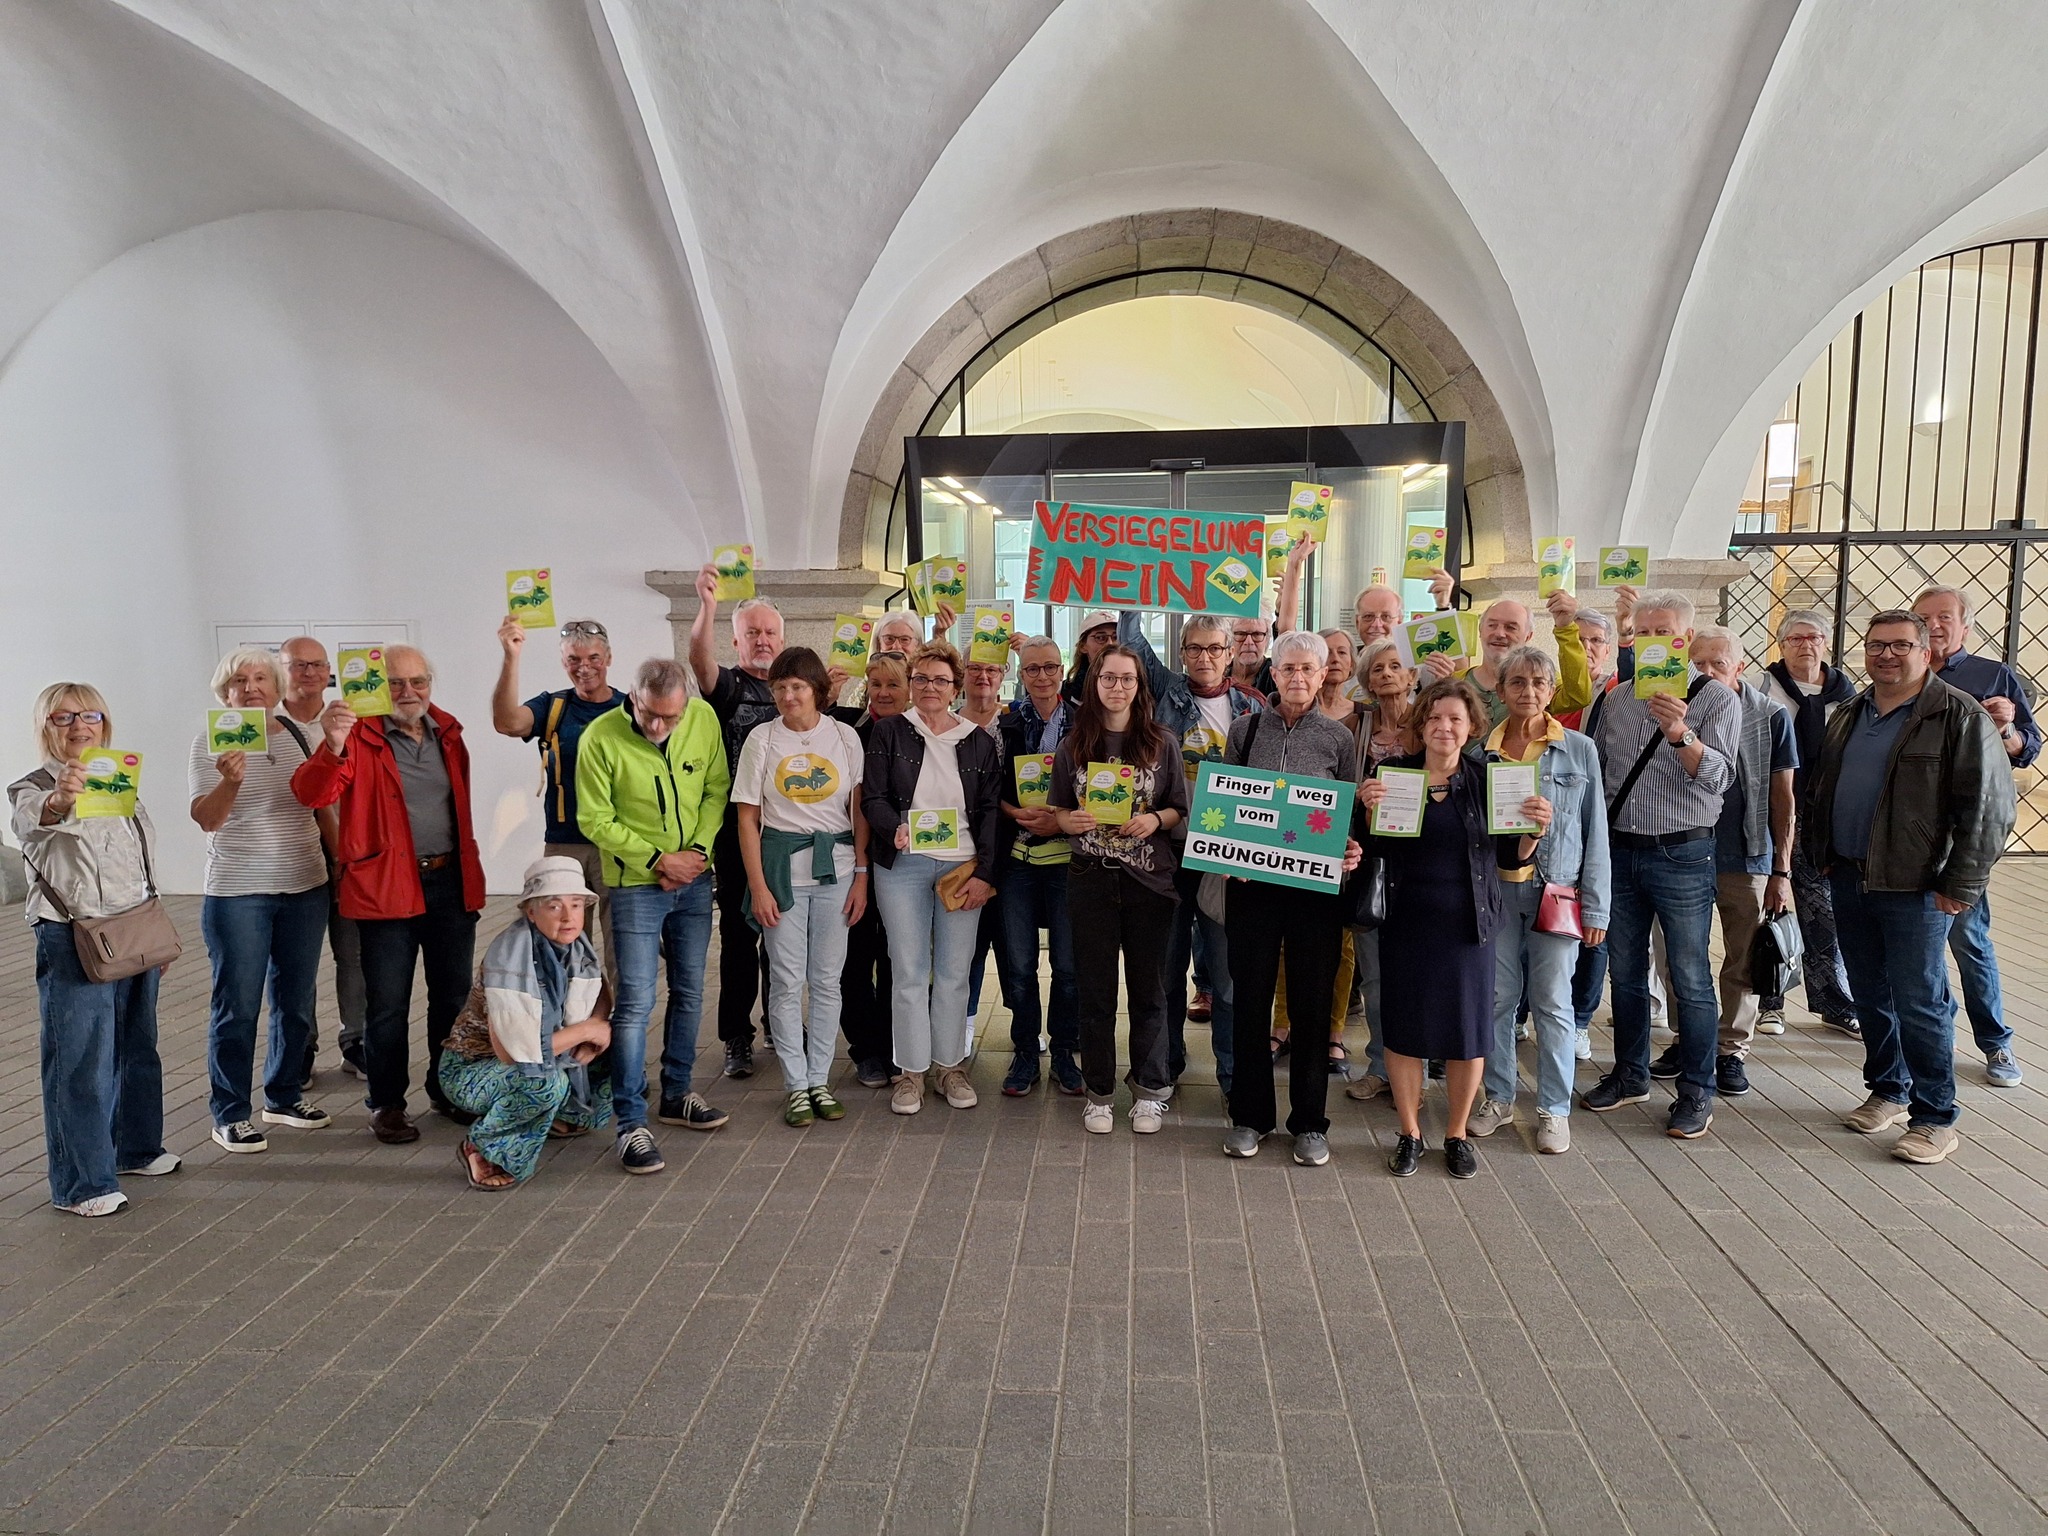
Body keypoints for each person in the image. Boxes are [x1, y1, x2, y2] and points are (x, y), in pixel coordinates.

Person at [1808, 611, 2014, 1165]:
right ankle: (1888, 1090)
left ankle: (1935, 1117)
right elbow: (1826, 788)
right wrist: (1824, 853)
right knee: (1872, 996)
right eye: (1877, 646)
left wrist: (1962, 883)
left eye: (1900, 645)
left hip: (1918, 886)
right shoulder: (1851, 712)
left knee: (1920, 1002)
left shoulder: (1958, 714)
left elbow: (1990, 809)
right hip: (1851, 876)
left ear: (1926, 651)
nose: (1886, 655)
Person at [292, 646, 486, 1145]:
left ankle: (447, 1089)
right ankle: (387, 1103)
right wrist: (331, 745)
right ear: (378, 687)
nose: (408, 693)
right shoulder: (358, 734)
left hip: (449, 881)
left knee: (452, 998)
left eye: (417, 681)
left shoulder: (449, 731)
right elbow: (312, 795)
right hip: (386, 887)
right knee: (387, 1006)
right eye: (396, 683)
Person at [1361, 676, 1545, 1177]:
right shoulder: (1392, 774)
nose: (1444, 726)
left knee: (1468, 1034)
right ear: (1421, 724)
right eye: (1436, 717)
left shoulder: (1489, 779)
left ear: (1470, 729)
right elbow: (1368, 852)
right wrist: (1364, 810)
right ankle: (1409, 1132)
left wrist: (1532, 835)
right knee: (1403, 1031)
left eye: (1455, 719)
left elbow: (1512, 856)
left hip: (1469, 927)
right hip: (1405, 923)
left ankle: (1457, 1133)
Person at [9, 685, 176, 1216]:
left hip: (132, 930)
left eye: (91, 715)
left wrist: (156, 931)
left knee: (137, 1047)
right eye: (63, 718)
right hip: (72, 935)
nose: (80, 727)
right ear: (44, 726)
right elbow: (34, 825)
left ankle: (136, 1148)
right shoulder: (30, 788)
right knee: (80, 1060)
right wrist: (61, 798)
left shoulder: (117, 775)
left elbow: (136, 856)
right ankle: (82, 1184)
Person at [1581, 591, 1740, 1138]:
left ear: (1687, 638)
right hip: (1621, 850)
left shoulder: (1715, 698)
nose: (1654, 641)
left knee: (1690, 976)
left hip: (1684, 853)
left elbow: (1720, 779)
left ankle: (1698, 1089)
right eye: (1644, 631)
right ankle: (1630, 1075)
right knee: (1623, 972)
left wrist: (1681, 733)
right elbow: (1597, 774)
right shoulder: (1617, 697)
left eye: (1665, 631)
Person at [576, 657, 733, 1172]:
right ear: (634, 698)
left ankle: (678, 1093)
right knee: (635, 1001)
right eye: (649, 715)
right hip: (635, 887)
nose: (659, 727)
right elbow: (595, 819)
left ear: (686, 703)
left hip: (692, 879)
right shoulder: (600, 737)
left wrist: (697, 855)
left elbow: (716, 789)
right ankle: (630, 1122)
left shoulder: (704, 720)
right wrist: (657, 860)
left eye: (671, 717)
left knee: (690, 989)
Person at [1219, 631, 1362, 1167]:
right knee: (1250, 1001)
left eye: (1308, 669)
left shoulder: (1339, 740)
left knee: (1311, 1004)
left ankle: (1310, 1124)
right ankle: (1250, 1117)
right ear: (1271, 674)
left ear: (1325, 674)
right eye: (1287, 669)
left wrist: (1350, 849)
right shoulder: (1244, 729)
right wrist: (1232, 854)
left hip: (1314, 893)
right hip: (1252, 890)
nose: (1297, 678)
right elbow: (1225, 804)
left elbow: (1348, 814)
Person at [1462, 647, 1609, 1156]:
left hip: (1557, 889)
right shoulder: (1480, 753)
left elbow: (1596, 832)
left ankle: (1554, 1108)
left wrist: (1597, 907)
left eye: (1538, 683)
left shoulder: (1579, 750)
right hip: (1497, 893)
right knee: (1498, 999)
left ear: (1552, 691)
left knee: (1552, 1002)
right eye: (1518, 683)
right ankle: (1499, 1097)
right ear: (1500, 691)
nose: (1528, 692)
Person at [189, 646, 331, 1154]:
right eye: (239, 680)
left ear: (276, 688)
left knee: (296, 1002)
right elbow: (207, 819)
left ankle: (285, 1095)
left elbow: (319, 804)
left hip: (305, 884)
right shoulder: (209, 741)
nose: (250, 688)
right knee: (239, 1005)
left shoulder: (299, 735)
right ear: (223, 691)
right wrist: (230, 781)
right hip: (237, 892)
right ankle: (229, 1113)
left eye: (260, 679)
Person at [1119, 609, 1263, 1097]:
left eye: (1215, 649)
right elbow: (1132, 641)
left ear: (1230, 654)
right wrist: (1133, 590)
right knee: (1165, 971)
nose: (1205, 657)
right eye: (1195, 648)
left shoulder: (1252, 708)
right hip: (1166, 855)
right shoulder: (1164, 694)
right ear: (1182, 654)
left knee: (1225, 979)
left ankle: (1231, 1077)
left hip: (1226, 862)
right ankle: (1165, 1070)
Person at [1647, 628, 1795, 1099]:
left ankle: (1731, 1049)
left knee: (1742, 955)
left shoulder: (1770, 716)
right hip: (1681, 850)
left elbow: (1783, 797)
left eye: (1719, 663)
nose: (1708, 672)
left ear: (1741, 665)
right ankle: (1686, 1038)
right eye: (1701, 663)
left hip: (1744, 852)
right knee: (1676, 954)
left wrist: (1781, 870)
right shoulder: (1670, 706)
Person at [1047, 644, 1189, 1133]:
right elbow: (1058, 813)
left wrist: (1153, 819)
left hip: (1150, 882)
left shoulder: (1162, 741)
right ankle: (1100, 1092)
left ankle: (1150, 1090)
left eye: (1127, 679)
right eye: (1108, 678)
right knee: (1096, 991)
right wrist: (1073, 819)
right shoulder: (1073, 746)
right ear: (1094, 683)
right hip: (1090, 879)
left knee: (1150, 990)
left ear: (1139, 686)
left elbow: (1179, 811)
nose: (1117, 687)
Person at [863, 641, 1004, 1115]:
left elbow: (989, 814)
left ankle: (950, 1067)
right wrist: (893, 829)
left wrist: (985, 872)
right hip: (902, 866)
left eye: (940, 680)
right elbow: (873, 799)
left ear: (955, 685)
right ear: (911, 683)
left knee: (953, 973)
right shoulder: (888, 734)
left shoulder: (979, 740)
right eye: (921, 678)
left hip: (960, 868)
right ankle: (910, 1073)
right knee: (905, 972)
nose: (930, 688)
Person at [736, 647, 869, 1128]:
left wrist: (861, 875)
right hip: (781, 871)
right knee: (787, 979)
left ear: (818, 690)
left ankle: (819, 1078)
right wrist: (760, 886)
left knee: (828, 979)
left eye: (798, 686)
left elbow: (857, 813)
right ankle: (795, 1083)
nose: (789, 696)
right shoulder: (761, 739)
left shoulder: (844, 737)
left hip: (834, 870)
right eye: (780, 688)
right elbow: (748, 820)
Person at [1913, 585, 2034, 1088]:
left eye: (1945, 617)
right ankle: (1925, 1035)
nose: (1935, 625)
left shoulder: (1991, 676)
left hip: (1964, 835)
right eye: (1925, 618)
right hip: (1909, 833)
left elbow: (2025, 749)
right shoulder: (1904, 673)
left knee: (1968, 938)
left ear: (1966, 626)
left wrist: (2006, 729)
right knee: (1914, 946)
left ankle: (1996, 1043)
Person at [438, 857, 614, 1189]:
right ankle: (482, 1146)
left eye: (576, 905)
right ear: (531, 912)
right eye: (554, 906)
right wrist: (586, 1031)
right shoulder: (510, 959)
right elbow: (513, 1053)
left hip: (532, 1054)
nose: (568, 916)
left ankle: (562, 1116)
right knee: (545, 1083)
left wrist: (597, 1025)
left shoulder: (576, 948)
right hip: (472, 1068)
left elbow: (602, 993)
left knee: (620, 1046)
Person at [491, 615, 627, 984]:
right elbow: (507, 722)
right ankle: (568, 1024)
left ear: (609, 658)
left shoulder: (630, 710)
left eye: (593, 658)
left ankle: (617, 1028)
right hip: (565, 844)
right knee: (563, 944)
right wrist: (511, 656)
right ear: (563, 662)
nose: (584, 668)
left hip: (618, 844)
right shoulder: (553, 707)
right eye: (574, 660)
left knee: (621, 948)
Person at [688, 562, 784, 1079]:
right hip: (734, 834)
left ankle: (779, 1022)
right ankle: (736, 1037)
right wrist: (707, 605)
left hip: (786, 834)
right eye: (753, 633)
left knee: (783, 934)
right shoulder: (726, 687)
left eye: (770, 632)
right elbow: (698, 661)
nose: (762, 640)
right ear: (737, 639)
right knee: (741, 936)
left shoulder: (795, 688)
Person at [1757, 609, 1860, 1037]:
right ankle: (1769, 1001)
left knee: (1822, 913)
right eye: (1795, 638)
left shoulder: (1848, 695)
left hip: (1822, 820)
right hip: (1771, 813)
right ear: (1781, 645)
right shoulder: (1763, 687)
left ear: (1826, 643)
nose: (1805, 645)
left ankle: (1832, 1002)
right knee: (1768, 909)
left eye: (1814, 637)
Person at [995, 636, 1082, 1097]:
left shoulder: (1085, 721)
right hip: (1019, 861)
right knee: (1020, 964)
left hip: (1070, 861)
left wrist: (1062, 819)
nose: (1043, 677)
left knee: (1068, 967)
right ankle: (1026, 1050)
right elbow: (989, 787)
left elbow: (1103, 781)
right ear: (1021, 672)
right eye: (1032, 669)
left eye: (1051, 667)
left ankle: (1065, 1050)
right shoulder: (1005, 721)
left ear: (1063, 668)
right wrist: (1014, 813)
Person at [276, 636, 364, 1080]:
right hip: (295, 862)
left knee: (355, 955)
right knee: (299, 961)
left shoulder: (351, 720)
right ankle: (301, 1046)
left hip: (350, 860)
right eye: (298, 665)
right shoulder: (265, 727)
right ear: (282, 669)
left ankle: (357, 1041)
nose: (309, 674)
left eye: (317, 665)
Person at [1341, 635, 1417, 1103]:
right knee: (1373, 974)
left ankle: (1418, 1067)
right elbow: (1333, 790)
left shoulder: (1433, 723)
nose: (1387, 674)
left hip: (1421, 866)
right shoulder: (1356, 727)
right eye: (1377, 668)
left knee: (1419, 971)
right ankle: (1378, 1064)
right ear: (1366, 680)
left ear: (1412, 675)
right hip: (1369, 863)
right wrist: (1357, 796)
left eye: (1396, 667)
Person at [841, 652, 909, 1088]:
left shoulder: (923, 732)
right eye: (875, 684)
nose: (881, 693)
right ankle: (865, 1049)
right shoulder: (848, 731)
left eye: (892, 685)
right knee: (854, 956)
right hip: (853, 862)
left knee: (899, 960)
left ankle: (896, 1047)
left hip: (906, 863)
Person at [1421, 583, 1592, 724]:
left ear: (1528, 636)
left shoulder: (1539, 682)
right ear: (1480, 631)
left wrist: (1565, 628)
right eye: (1492, 625)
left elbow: (1577, 697)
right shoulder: (1455, 682)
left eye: (1511, 627)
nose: (1500, 633)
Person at [1062, 609, 1121, 706]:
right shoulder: (1067, 693)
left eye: (1115, 637)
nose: (1110, 643)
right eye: (1100, 638)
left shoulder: (1134, 687)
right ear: (1082, 646)